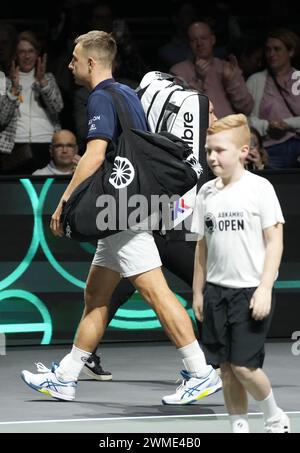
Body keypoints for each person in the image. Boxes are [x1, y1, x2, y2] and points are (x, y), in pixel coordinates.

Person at [21, 30, 221, 404]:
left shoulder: (99, 97)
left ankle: (200, 372)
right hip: (127, 208)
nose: (70, 65)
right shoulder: (129, 92)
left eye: (75, 59)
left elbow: (96, 154)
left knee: (157, 294)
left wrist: (66, 200)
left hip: (123, 215)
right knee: (96, 295)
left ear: (92, 63)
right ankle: (66, 375)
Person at [191, 113, 290, 433]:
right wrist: (198, 292)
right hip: (216, 292)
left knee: (244, 368)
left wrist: (264, 288)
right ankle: (239, 426)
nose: (212, 157)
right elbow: (202, 248)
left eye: (219, 150)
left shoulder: (260, 189)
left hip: (250, 292)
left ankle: (275, 416)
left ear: (243, 151)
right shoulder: (206, 193)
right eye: (208, 151)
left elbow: (275, 242)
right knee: (225, 369)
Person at [0, 31, 63, 175]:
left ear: (37, 54)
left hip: (47, 144)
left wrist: (42, 83)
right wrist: (14, 90)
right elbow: (2, 119)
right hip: (15, 148)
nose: (26, 56)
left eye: (30, 51)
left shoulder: (48, 78)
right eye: (22, 52)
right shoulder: (5, 81)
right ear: (15, 54)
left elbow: (57, 107)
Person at [169, 20, 254, 119]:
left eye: (203, 38)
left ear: (213, 40)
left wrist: (232, 82)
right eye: (194, 40)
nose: (199, 43)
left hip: (230, 129)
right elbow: (179, 112)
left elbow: (247, 108)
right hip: (199, 131)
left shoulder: (226, 67)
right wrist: (199, 80)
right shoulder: (178, 71)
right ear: (189, 44)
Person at [247, 28, 300, 169]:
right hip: (270, 149)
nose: (272, 54)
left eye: (277, 49)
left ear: (291, 52)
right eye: (268, 50)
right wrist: (267, 126)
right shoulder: (256, 80)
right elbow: (246, 119)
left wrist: (287, 124)